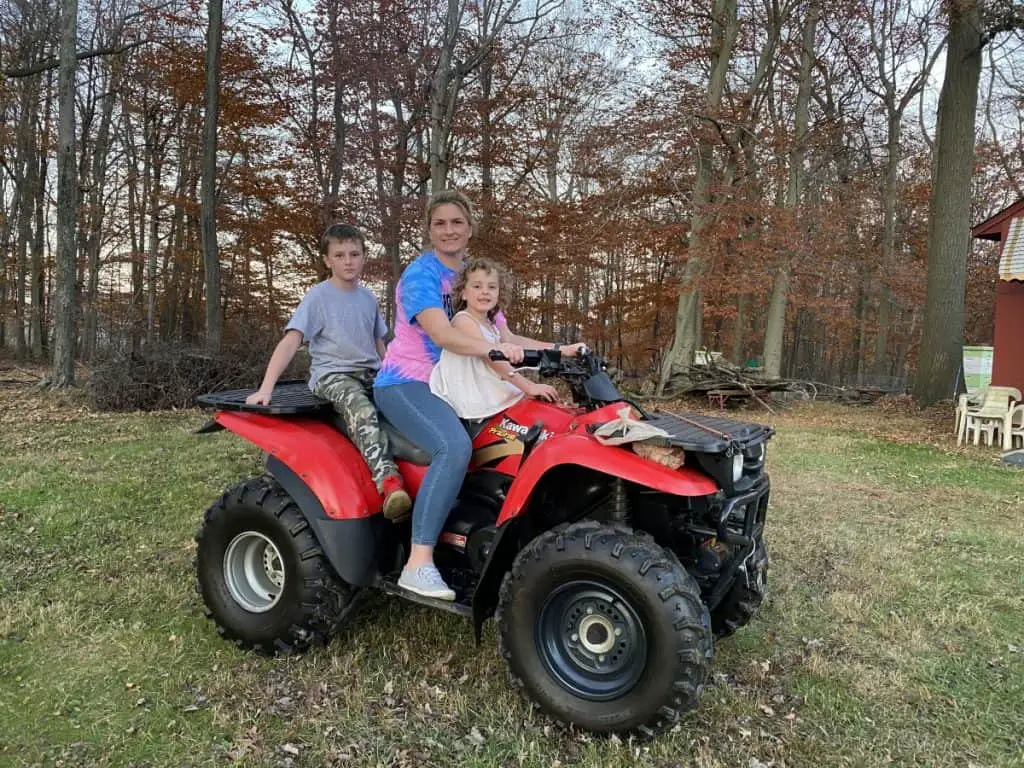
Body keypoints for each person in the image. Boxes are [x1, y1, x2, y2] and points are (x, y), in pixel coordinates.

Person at [245, 223, 412, 521]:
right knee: (360, 408)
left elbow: (378, 344)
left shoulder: (368, 299)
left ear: (363, 257)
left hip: (369, 372)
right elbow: (293, 339)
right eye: (340, 255)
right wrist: (266, 387)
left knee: (403, 402)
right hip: (332, 375)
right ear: (327, 260)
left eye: (354, 254)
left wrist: (394, 377)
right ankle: (389, 483)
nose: (348, 261)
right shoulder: (318, 297)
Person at [429, 257, 586, 419]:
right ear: (463, 293)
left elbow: (513, 340)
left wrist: (561, 349)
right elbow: (491, 358)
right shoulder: (464, 320)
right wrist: (529, 386)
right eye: (477, 286)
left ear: (498, 292)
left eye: (492, 287)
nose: (485, 291)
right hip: (473, 399)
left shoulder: (491, 323)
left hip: (488, 390)